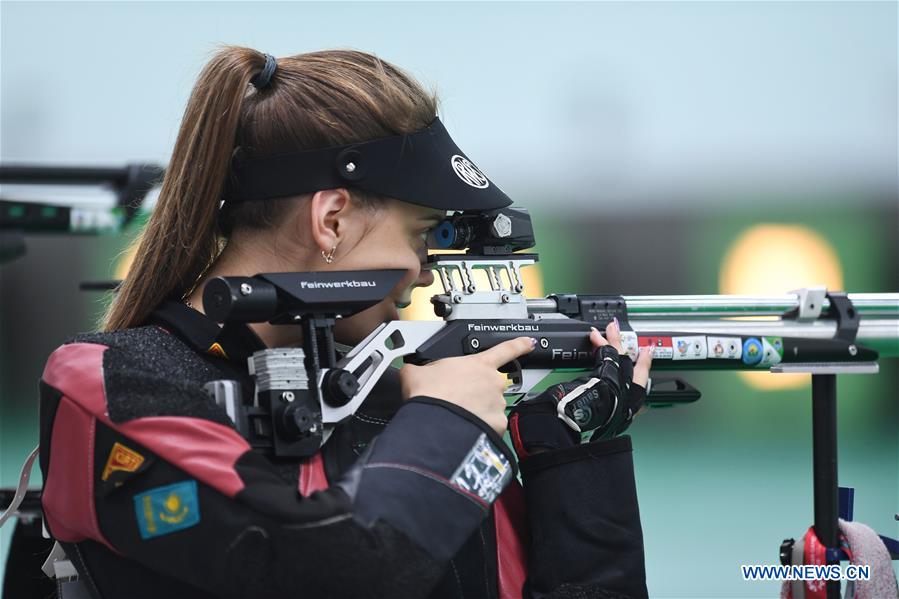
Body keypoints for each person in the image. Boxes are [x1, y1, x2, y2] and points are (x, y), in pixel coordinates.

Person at [37, 47, 653, 599]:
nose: (424, 272)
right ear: (331, 220)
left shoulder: (396, 404)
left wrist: (568, 466)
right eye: (423, 235)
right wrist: (450, 424)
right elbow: (334, 568)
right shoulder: (110, 385)